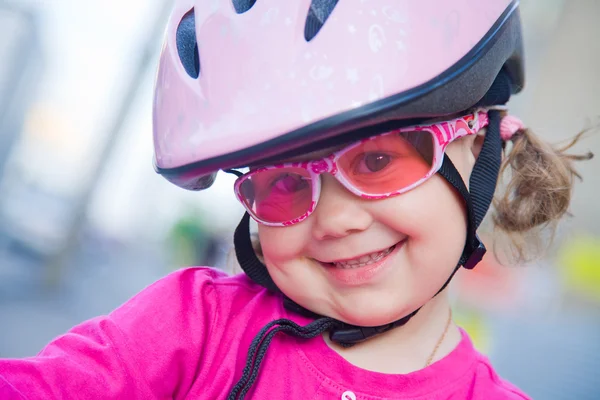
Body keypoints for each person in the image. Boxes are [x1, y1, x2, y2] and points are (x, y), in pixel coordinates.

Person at [0, 0, 593, 399]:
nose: (334, 219)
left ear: (485, 145)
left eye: (379, 159)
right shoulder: (194, 326)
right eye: (283, 184)